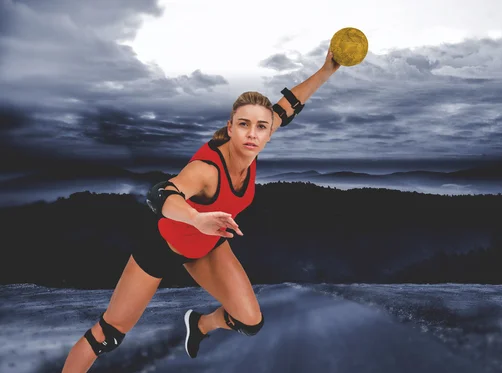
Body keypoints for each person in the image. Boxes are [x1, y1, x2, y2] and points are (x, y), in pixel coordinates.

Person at [61, 49, 340, 372]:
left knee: (250, 322)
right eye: (244, 125)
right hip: (162, 247)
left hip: (206, 246)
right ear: (230, 127)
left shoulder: (257, 137)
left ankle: (200, 325)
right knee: (107, 336)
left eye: (261, 127)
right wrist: (196, 218)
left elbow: (287, 106)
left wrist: (326, 71)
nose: (253, 133)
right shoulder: (206, 170)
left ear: (268, 131)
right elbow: (160, 194)